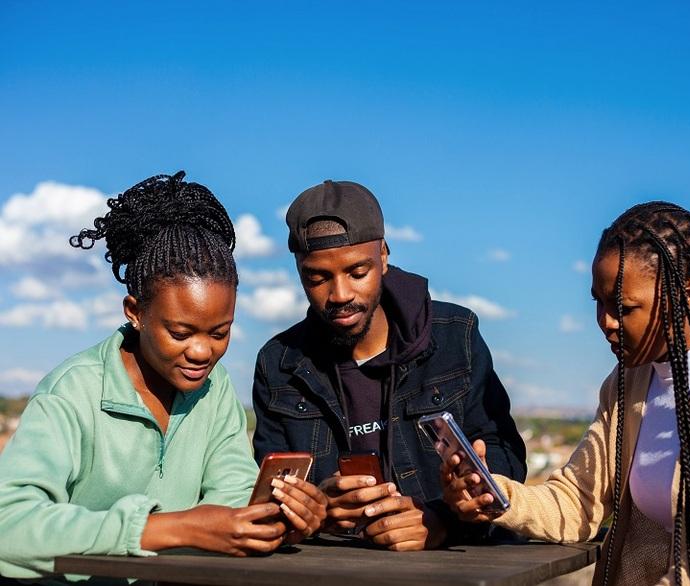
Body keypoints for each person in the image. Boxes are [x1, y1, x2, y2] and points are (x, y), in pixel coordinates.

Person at [0, 172, 327, 582]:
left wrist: (279, 521)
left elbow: (230, 507)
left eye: (220, 332)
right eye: (180, 332)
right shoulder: (71, 392)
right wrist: (167, 528)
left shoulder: (215, 388)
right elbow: (8, 528)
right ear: (135, 312)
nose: (202, 351)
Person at [441, 201, 690, 585]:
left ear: (688, 291)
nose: (606, 322)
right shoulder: (629, 383)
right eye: (598, 302)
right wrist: (493, 495)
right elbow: (576, 502)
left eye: (624, 307)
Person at [252, 179, 526, 551]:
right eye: (317, 278)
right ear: (299, 271)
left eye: (357, 272)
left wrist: (444, 520)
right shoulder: (278, 364)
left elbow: (507, 460)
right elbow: (269, 499)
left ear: (383, 256)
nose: (340, 294)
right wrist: (318, 509)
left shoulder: (455, 337)